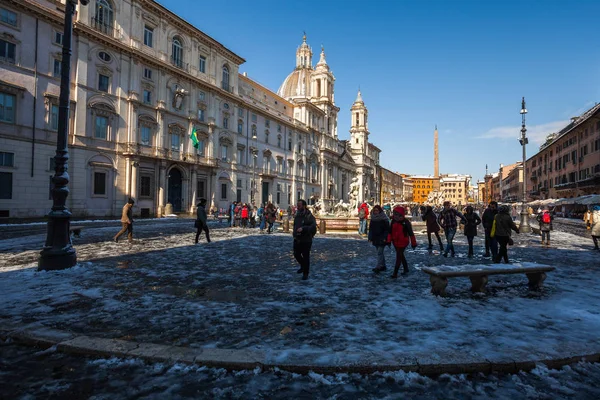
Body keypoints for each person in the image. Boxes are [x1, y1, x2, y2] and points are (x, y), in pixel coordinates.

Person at [387, 206, 417, 278]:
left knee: (399, 256)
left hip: (403, 241)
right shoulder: (393, 221)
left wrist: (413, 243)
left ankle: (395, 273)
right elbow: (390, 232)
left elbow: (411, 233)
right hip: (395, 241)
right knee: (400, 255)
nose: (396, 216)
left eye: (398, 214)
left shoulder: (406, 222)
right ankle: (406, 269)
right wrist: (388, 241)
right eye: (395, 214)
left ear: (402, 214)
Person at [292, 199, 317, 280]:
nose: (297, 207)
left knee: (306, 256)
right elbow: (295, 225)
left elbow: (313, 227)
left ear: (304, 206)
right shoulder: (297, 215)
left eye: (299, 205)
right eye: (297, 205)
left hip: (306, 239)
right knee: (296, 254)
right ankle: (303, 265)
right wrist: (294, 233)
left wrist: (304, 229)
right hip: (297, 238)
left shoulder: (309, 216)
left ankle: (305, 273)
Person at [368, 205, 390, 272]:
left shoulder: (384, 218)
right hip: (375, 237)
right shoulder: (373, 218)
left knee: (379, 252)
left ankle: (378, 266)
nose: (375, 212)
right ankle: (383, 265)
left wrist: (385, 237)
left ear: (380, 211)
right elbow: (371, 229)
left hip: (382, 237)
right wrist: (370, 237)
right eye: (374, 210)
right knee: (380, 252)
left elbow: (387, 229)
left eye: (377, 210)